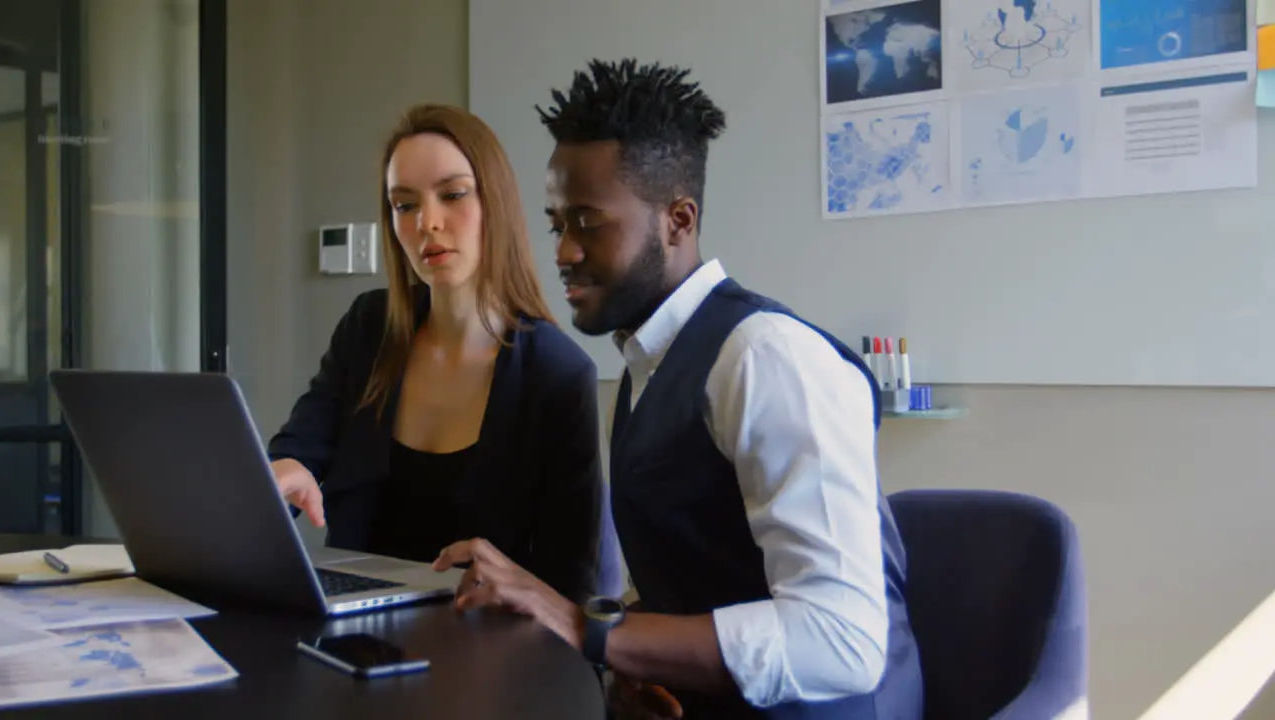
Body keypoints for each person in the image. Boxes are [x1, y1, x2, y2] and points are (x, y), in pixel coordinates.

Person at [432, 60, 924, 719]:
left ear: (678, 220)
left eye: (587, 222)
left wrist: (589, 629)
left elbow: (843, 642)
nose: (563, 253)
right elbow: (703, 578)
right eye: (557, 225)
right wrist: (626, 651)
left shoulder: (765, 359)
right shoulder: (648, 363)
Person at [267, 103, 622, 604]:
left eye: (452, 195)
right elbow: (296, 451)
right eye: (404, 205)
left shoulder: (557, 374)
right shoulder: (368, 328)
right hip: (357, 639)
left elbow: (575, 590)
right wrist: (282, 470)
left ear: (494, 203)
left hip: (488, 654)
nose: (427, 223)